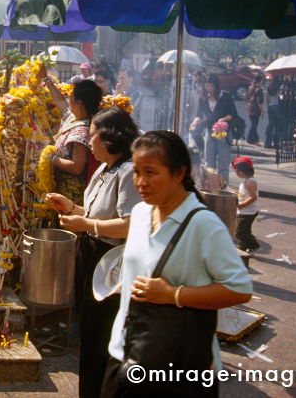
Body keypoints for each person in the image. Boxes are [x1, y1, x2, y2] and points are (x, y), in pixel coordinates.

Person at [101, 131, 253, 398]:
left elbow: (239, 289)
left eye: (150, 172)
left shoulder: (203, 225)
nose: (140, 182)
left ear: (179, 173)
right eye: (136, 172)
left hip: (177, 369)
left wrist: (174, 295)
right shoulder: (139, 213)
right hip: (126, 351)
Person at [45, 107, 141, 398]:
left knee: (104, 334)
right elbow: (96, 214)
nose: (89, 143)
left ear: (111, 138)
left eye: (93, 136)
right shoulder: (103, 168)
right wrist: (72, 208)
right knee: (89, 331)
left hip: (111, 262)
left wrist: (86, 223)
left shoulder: (127, 171)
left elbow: (128, 224)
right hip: (91, 254)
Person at [43, 74, 102, 207]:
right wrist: (47, 80)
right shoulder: (73, 116)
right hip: (60, 186)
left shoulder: (83, 130)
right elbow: (61, 102)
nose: (68, 101)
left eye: (71, 98)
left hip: (70, 192)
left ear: (79, 103)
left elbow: (76, 167)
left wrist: (51, 158)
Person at [189, 74, 236, 183]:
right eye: (206, 86)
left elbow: (233, 114)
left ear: (216, 87)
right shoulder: (203, 98)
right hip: (210, 131)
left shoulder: (225, 97)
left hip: (223, 132)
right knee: (209, 162)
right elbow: (199, 115)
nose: (208, 89)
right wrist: (195, 121)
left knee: (223, 163)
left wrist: (223, 119)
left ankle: (223, 187)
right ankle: (210, 185)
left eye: (211, 86)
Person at [233, 156, 260, 252]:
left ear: (241, 172)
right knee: (242, 230)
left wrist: (242, 205)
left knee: (240, 231)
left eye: (236, 171)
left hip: (248, 212)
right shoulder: (246, 182)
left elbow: (253, 197)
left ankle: (253, 245)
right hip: (244, 211)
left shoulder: (250, 183)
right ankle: (243, 245)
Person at [245, 73, 265, 145]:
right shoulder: (259, 90)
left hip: (250, 107)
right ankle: (252, 140)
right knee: (254, 125)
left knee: (253, 124)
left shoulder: (250, 87)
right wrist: (262, 111)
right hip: (255, 109)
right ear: (260, 81)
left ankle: (252, 140)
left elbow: (247, 98)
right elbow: (259, 102)